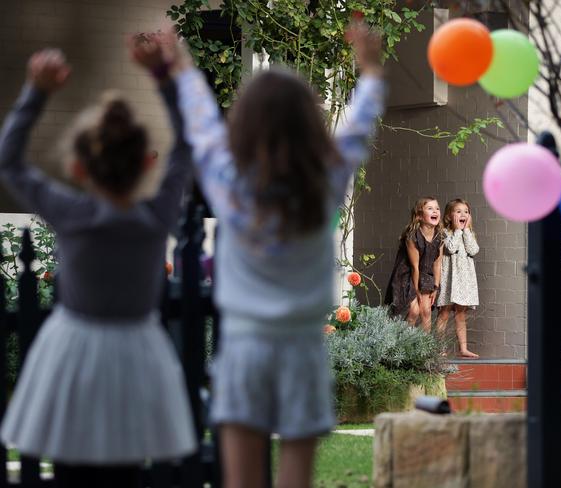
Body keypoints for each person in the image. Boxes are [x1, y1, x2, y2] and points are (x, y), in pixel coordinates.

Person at [139, 20, 384, 488]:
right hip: (303, 349)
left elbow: (203, 127)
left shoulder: (231, 185)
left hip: (245, 349)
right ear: (309, 123)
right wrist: (370, 71)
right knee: (296, 477)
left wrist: (183, 67)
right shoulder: (324, 182)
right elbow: (357, 127)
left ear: (247, 123)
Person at [0, 42, 197, 487]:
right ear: (147, 163)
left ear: (78, 166)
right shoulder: (154, 218)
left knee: (71, 467)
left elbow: (9, 161)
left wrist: (36, 91)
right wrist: (163, 80)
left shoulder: (71, 213)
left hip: (73, 350)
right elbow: (186, 145)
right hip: (137, 352)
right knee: (125, 471)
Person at [384, 197, 443, 332]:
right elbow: (414, 267)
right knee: (414, 311)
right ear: (420, 216)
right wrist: (417, 292)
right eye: (430, 208)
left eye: (437, 208)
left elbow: (437, 263)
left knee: (426, 312)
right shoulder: (412, 236)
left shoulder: (440, 236)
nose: (435, 211)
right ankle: (403, 343)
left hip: (426, 274)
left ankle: (425, 348)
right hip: (407, 275)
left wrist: (436, 287)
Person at [435, 198, 480, 358]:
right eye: (458, 211)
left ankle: (463, 348)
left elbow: (474, 250)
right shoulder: (444, 233)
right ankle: (439, 348)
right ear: (449, 216)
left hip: (464, 279)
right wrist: (458, 230)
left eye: (466, 212)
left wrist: (466, 230)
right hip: (449, 280)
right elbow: (451, 247)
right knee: (444, 313)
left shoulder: (469, 233)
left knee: (461, 314)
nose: (463, 214)